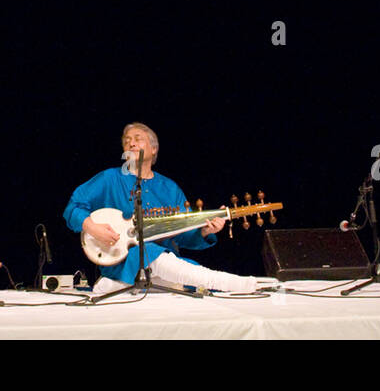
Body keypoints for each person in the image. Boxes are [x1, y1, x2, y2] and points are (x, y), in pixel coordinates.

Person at [64, 122, 264, 295]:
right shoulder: (110, 179)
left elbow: (183, 235)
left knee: (162, 258)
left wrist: (204, 231)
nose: (131, 143)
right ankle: (227, 283)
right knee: (146, 250)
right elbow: (73, 207)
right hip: (124, 260)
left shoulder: (169, 188)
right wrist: (92, 228)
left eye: (137, 138)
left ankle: (116, 286)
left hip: (165, 265)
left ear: (153, 149)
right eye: (126, 141)